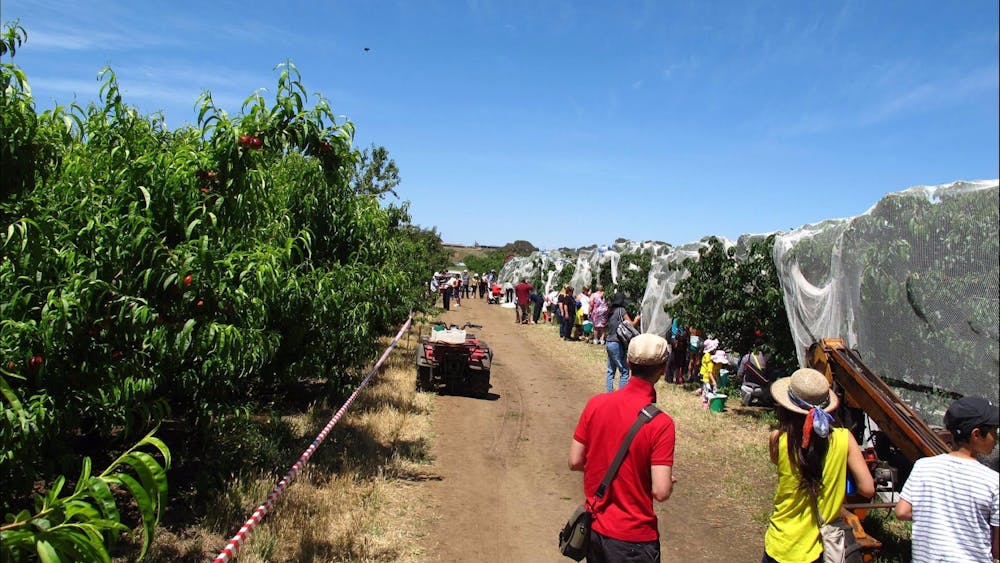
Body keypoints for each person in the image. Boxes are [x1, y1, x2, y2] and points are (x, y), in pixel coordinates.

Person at [568, 333, 677, 562]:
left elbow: (575, 461)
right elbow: (661, 491)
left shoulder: (595, 404)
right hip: (634, 540)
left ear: (627, 362)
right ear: (663, 369)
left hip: (596, 531)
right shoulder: (661, 424)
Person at [763, 368, 875, 563]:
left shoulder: (778, 440)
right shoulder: (844, 439)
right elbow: (867, 489)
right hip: (823, 548)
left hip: (781, 544)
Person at [894, 396, 999, 563]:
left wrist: (936, 516)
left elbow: (901, 511)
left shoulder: (923, 467)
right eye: (994, 432)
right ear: (976, 434)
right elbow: (996, 549)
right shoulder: (993, 481)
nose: (996, 438)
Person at [605, 293, 639, 392]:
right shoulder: (621, 310)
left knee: (610, 370)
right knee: (624, 371)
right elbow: (631, 325)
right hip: (617, 343)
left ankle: (609, 393)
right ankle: (622, 395)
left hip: (609, 342)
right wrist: (636, 320)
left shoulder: (610, 311)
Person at [738, 337, 771, 407]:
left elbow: (739, 374)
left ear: (754, 346)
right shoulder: (767, 359)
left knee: (746, 389)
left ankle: (749, 395)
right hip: (761, 390)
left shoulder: (747, 357)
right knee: (767, 386)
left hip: (746, 388)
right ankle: (763, 399)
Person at [699, 338, 719, 408]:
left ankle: (702, 391)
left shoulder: (710, 355)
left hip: (708, 375)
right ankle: (704, 402)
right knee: (706, 389)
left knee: (707, 387)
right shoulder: (708, 356)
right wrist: (714, 381)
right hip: (706, 375)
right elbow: (709, 371)